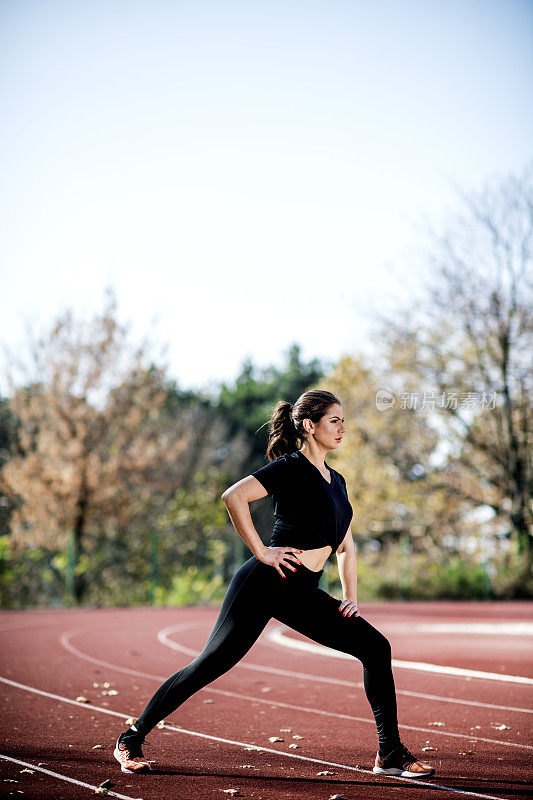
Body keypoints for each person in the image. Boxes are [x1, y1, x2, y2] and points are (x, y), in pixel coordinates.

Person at [113, 389, 435, 778]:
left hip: (302, 590)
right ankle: (131, 738)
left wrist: (351, 596)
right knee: (209, 665)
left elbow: (346, 546)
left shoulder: (338, 481)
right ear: (309, 425)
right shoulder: (291, 467)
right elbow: (234, 497)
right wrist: (263, 551)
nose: (343, 428)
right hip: (265, 582)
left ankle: (389, 753)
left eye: (343, 421)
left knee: (374, 647)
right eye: (335, 421)